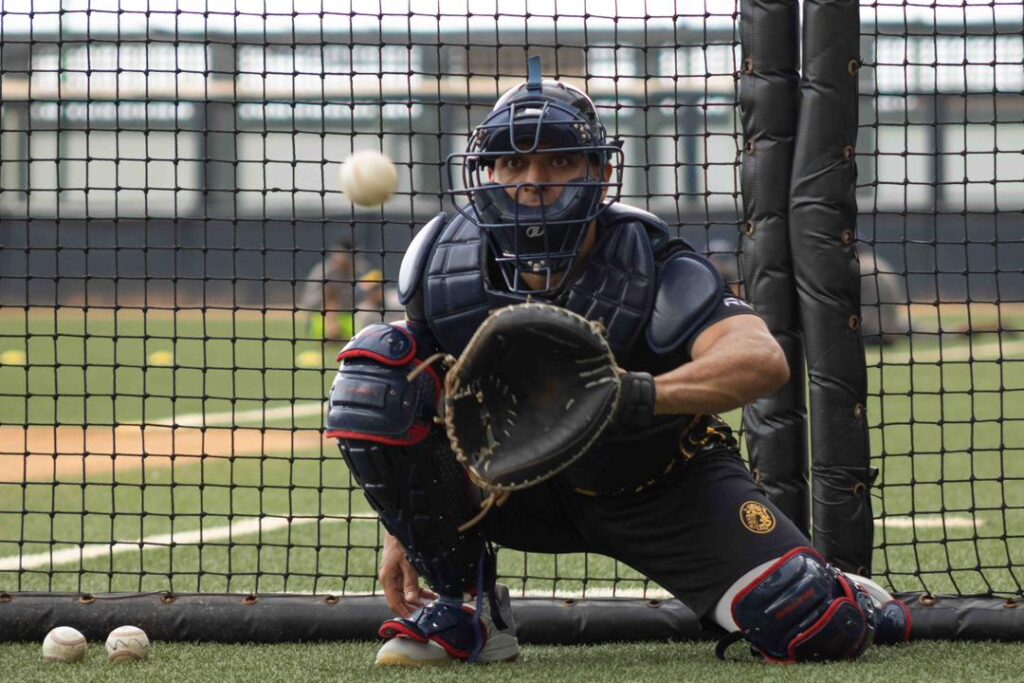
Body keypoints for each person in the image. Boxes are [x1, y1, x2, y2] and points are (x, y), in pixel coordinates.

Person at [326, 57, 909, 666]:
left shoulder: (649, 257)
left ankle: (841, 591)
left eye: (559, 160)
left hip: (658, 486)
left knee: (811, 627)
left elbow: (760, 358)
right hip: (512, 491)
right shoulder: (443, 261)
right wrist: (410, 530)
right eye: (513, 161)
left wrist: (636, 394)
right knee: (373, 375)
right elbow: (419, 402)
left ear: (600, 173)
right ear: (486, 172)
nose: (532, 180)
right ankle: (466, 605)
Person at [300, 239, 358, 342]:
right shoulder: (327, 271)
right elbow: (330, 298)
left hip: (344, 314)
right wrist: (332, 323)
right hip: (320, 314)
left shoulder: (353, 269)